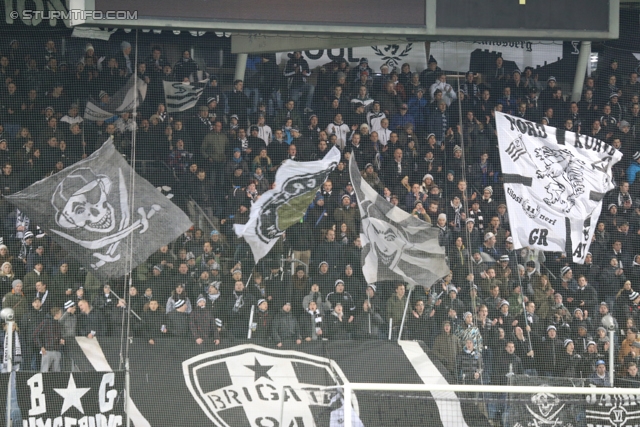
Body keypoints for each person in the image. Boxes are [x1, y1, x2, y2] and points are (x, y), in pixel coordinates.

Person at [34, 307, 64, 372]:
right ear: (56, 314)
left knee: (56, 372)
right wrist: (41, 346)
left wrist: (61, 340)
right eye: (60, 313)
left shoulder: (59, 324)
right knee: (44, 371)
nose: (61, 315)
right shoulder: (46, 322)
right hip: (47, 351)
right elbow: (36, 335)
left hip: (57, 350)